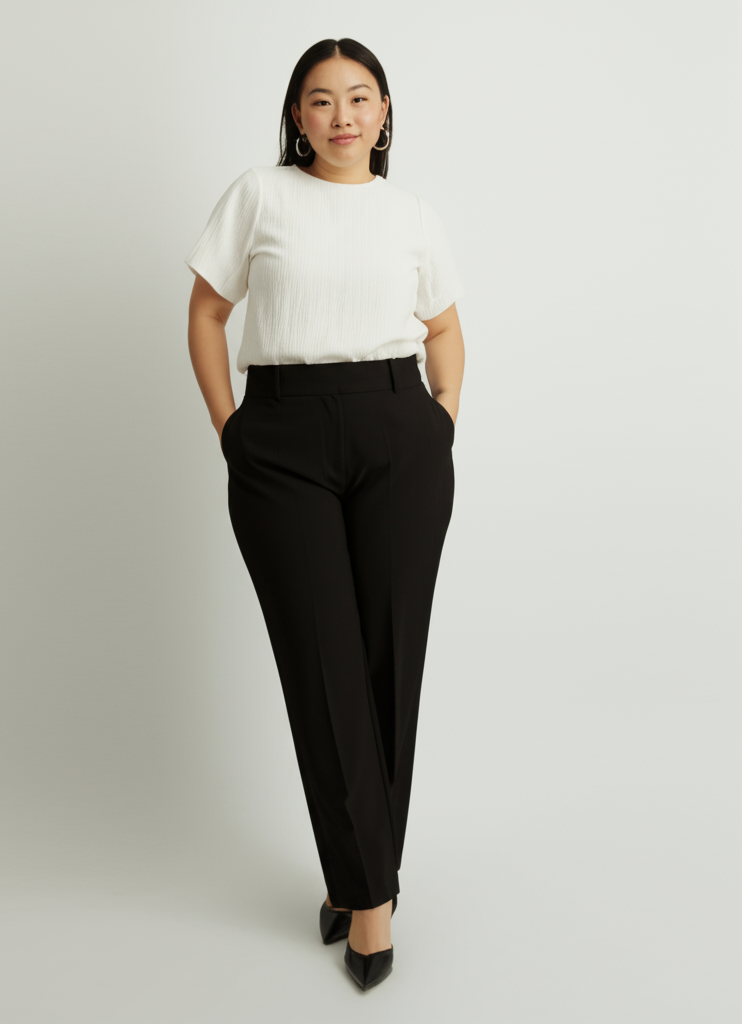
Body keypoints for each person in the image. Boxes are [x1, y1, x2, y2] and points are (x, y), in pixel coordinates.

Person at [184, 37, 465, 991]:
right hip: (282, 436)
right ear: (296, 117)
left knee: (388, 661)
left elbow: (444, 328)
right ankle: (372, 889)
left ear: (384, 113)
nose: (341, 115)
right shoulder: (259, 196)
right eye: (319, 99)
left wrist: (439, 426)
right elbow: (207, 312)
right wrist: (232, 429)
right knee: (321, 663)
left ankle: (361, 891)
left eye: (359, 96)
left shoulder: (412, 214)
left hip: (398, 431)